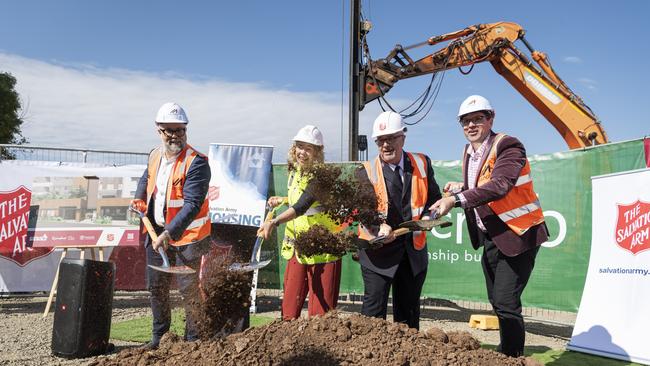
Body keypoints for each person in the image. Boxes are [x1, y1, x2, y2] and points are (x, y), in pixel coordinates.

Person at [431, 95, 549, 357]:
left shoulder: (508, 145)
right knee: (497, 300)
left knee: (507, 302)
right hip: (492, 235)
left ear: (491, 118)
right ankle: (507, 350)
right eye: (466, 121)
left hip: (518, 234)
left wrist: (455, 199)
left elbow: (500, 185)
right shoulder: (469, 152)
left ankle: (512, 356)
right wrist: (463, 187)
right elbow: (484, 184)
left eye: (478, 119)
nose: (471, 125)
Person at [130, 102, 211, 349]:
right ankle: (160, 338)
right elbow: (146, 177)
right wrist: (139, 197)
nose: (175, 135)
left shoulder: (196, 162)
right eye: (170, 130)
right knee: (157, 287)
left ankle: (193, 342)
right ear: (159, 130)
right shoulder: (155, 154)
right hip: (156, 232)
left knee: (189, 290)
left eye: (180, 129)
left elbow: (192, 204)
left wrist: (168, 234)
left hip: (189, 236)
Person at [357, 111, 441, 330]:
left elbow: (434, 199)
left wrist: (432, 216)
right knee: (372, 318)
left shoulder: (422, 163)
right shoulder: (364, 171)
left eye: (391, 138)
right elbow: (363, 209)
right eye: (381, 140)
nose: (385, 145)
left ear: (403, 136)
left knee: (408, 317)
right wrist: (378, 225)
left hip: (412, 253)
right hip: (378, 255)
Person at [258, 125, 341, 320]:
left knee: (320, 317)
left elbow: (303, 205)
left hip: (323, 251)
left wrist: (275, 221)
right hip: (298, 248)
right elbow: (302, 200)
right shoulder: (295, 171)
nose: (302, 153)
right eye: (299, 146)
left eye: (308, 148)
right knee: (288, 310)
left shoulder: (322, 177)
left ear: (318, 152)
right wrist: (284, 200)